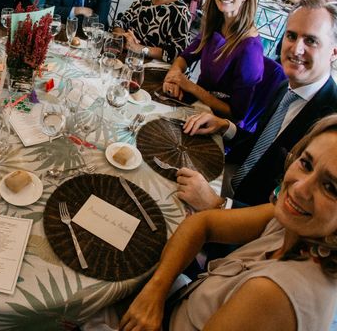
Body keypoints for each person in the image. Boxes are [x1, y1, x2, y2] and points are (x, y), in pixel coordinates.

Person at [120, 114, 337, 331]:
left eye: (331, 188)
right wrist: (154, 293)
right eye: (307, 164)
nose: (299, 188)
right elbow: (204, 224)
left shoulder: (273, 293)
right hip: (180, 298)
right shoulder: (296, 222)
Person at [174, 0, 337, 211]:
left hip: (246, 215)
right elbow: (262, 145)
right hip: (231, 179)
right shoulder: (284, 88)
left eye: (311, 41)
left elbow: (298, 215)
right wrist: (225, 126)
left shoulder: (330, 123)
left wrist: (219, 205)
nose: (296, 49)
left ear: (334, 51)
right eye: (291, 36)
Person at [163, 0, 268, 128]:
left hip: (216, 124)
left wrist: (191, 87)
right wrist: (173, 76)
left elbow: (236, 113)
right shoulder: (216, 24)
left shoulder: (250, 48)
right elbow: (186, 56)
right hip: (196, 108)